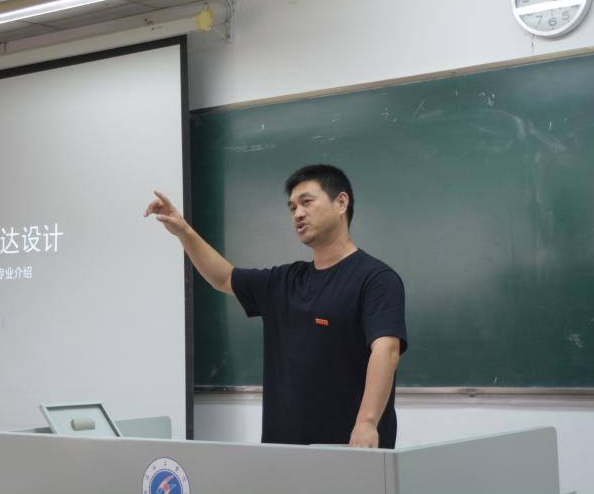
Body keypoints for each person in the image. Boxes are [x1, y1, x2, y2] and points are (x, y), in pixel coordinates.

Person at [144, 164, 407, 448]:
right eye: (292, 208)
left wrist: (367, 423)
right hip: (282, 451)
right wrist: (183, 231)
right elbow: (223, 277)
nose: (298, 214)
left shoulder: (376, 279)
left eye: (307, 202)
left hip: (350, 450)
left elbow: (386, 350)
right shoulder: (284, 281)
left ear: (341, 203)